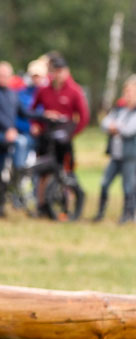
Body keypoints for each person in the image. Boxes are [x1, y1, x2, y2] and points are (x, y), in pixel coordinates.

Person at [31, 54, 90, 170]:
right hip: (47, 134)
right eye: (55, 71)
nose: (57, 75)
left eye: (60, 71)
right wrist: (36, 124)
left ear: (66, 71)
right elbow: (32, 110)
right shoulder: (43, 90)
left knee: (66, 171)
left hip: (64, 136)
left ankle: (65, 187)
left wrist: (72, 133)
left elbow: (84, 116)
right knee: (43, 170)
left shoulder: (74, 91)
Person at [93, 76, 136, 224]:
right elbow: (105, 123)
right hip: (115, 155)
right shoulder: (119, 109)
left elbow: (130, 130)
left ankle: (128, 215)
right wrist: (116, 127)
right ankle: (100, 213)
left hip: (130, 156)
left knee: (128, 187)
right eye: (126, 92)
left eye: (130, 92)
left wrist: (115, 127)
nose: (127, 95)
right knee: (104, 183)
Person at [0, 61, 30, 171]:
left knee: (26, 141)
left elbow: (24, 112)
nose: (4, 78)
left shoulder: (13, 93)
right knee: (20, 142)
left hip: (9, 134)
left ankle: (15, 174)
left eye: (6, 76)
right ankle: (19, 172)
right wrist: (9, 129)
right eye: (1, 75)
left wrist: (43, 115)